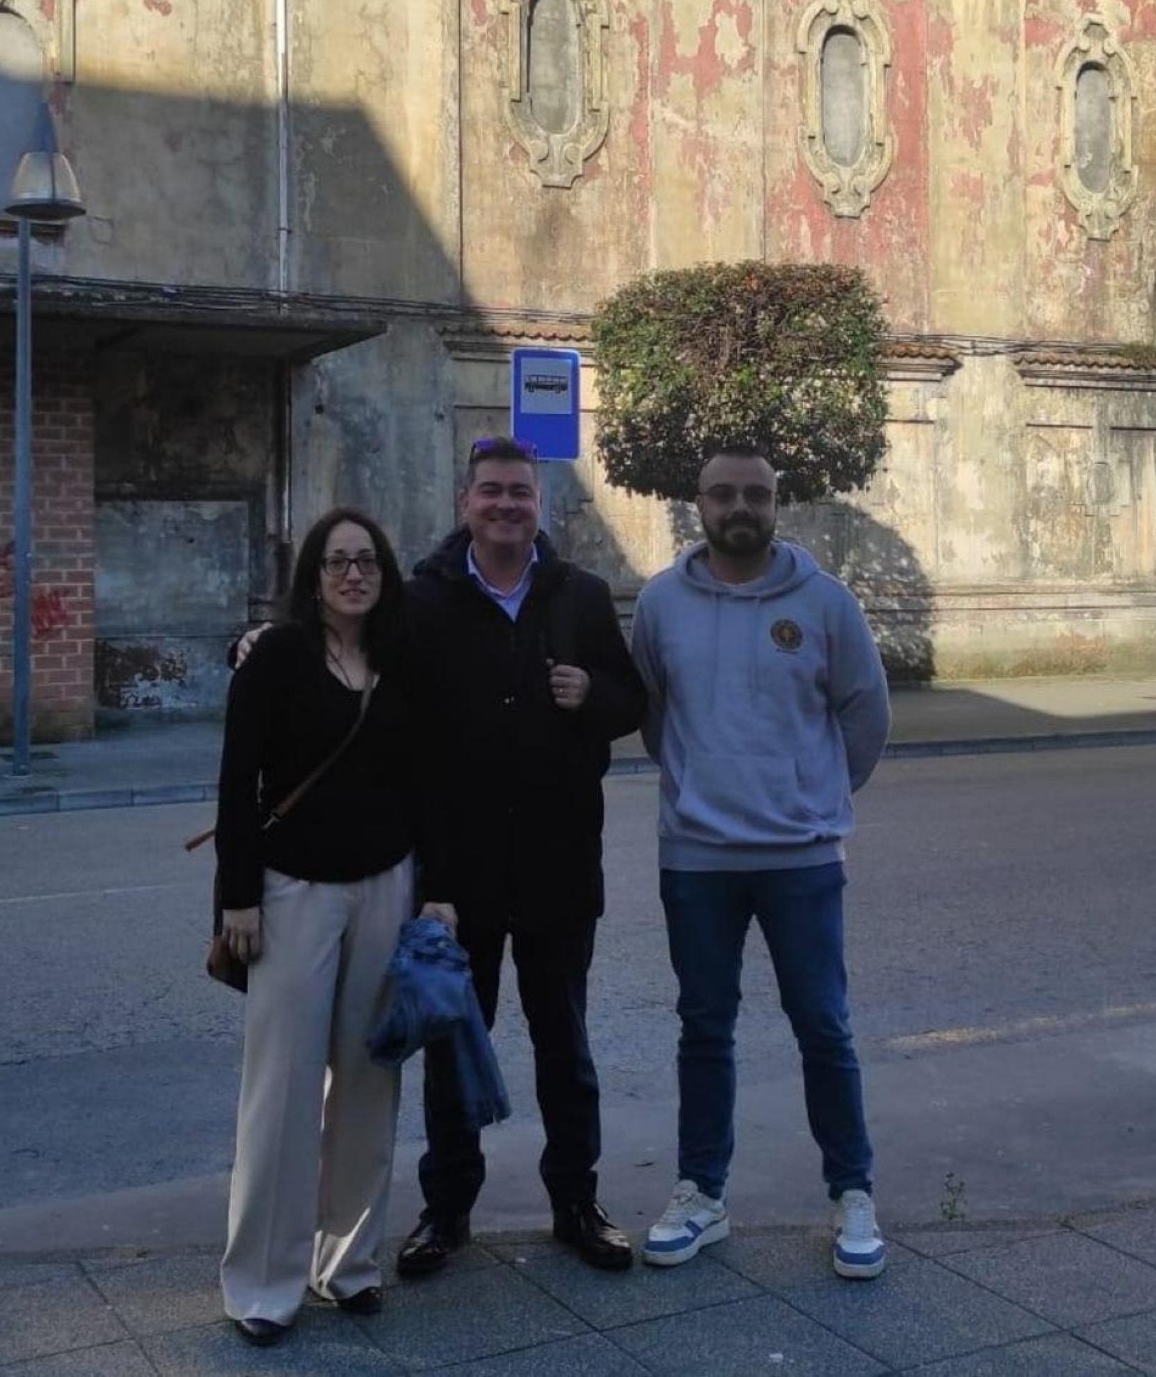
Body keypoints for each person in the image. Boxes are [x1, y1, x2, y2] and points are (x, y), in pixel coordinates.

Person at [629, 444, 891, 1279]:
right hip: (696, 857)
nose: (739, 507)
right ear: (698, 503)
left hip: (800, 858)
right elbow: (654, 714)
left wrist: (812, 797)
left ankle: (852, 1193)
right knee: (704, 1026)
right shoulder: (661, 603)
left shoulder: (825, 602)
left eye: (756, 494)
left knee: (824, 1025)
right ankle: (701, 1193)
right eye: (723, 493)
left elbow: (865, 713)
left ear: (777, 503)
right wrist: (701, 787)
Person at [394, 435, 648, 1277]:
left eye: (520, 493)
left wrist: (592, 694)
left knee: (564, 1047)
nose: (506, 504)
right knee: (454, 1049)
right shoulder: (425, 600)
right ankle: (445, 1211)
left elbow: (631, 700)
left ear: (539, 506)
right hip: (457, 877)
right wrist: (257, 642)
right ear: (465, 502)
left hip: (558, 865)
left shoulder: (579, 594)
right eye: (492, 491)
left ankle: (577, 1203)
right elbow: (384, 703)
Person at [216, 507, 446, 1348]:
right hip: (292, 892)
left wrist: (436, 890)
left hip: (387, 885)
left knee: (368, 1080)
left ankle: (347, 1263)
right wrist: (237, 897)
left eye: (368, 561)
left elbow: (430, 783)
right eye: (338, 561)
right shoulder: (275, 657)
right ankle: (263, 1284)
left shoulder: (403, 657)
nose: (354, 574)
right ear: (312, 576)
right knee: (280, 1090)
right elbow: (238, 781)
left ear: (385, 573)